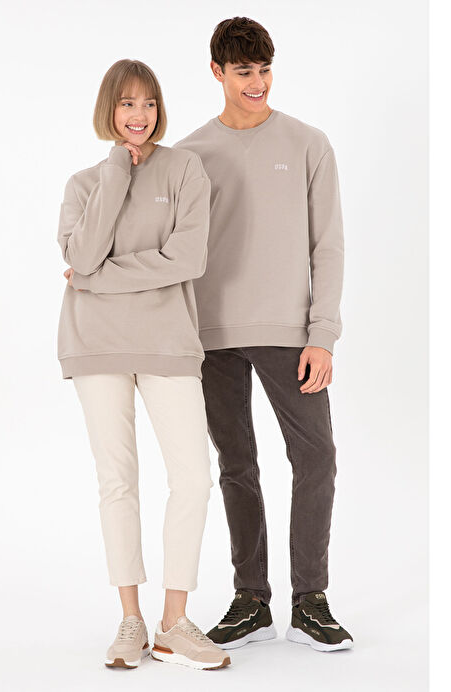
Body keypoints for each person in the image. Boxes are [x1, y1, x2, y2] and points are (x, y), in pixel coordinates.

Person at [173, 17, 353, 652]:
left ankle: (310, 601)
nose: (257, 82)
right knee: (236, 465)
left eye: (265, 69)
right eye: (243, 71)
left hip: (290, 333)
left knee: (316, 456)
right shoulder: (190, 154)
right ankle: (251, 599)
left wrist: (322, 333)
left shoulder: (308, 143)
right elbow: (169, 246)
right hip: (210, 334)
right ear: (217, 72)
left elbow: (328, 245)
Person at [56, 58, 230, 670]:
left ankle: (173, 622)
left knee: (193, 477)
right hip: (95, 343)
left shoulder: (184, 169)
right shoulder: (85, 182)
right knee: (118, 481)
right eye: (127, 103)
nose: (140, 114)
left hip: (167, 341)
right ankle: (130, 619)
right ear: (109, 109)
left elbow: (187, 258)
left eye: (149, 102)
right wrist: (115, 170)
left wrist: (97, 280)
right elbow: (82, 251)